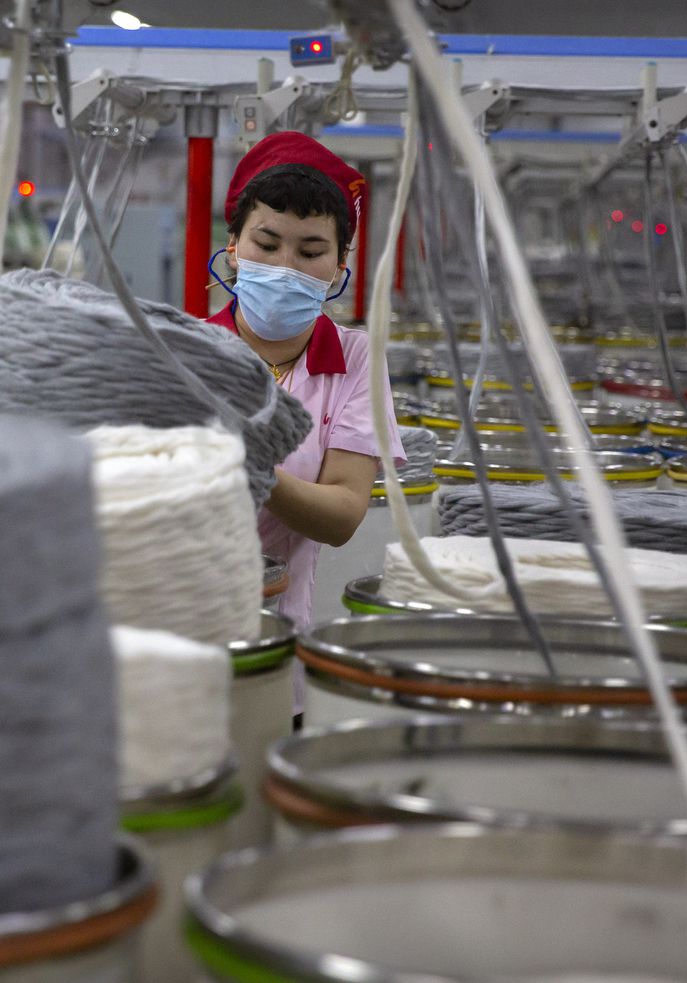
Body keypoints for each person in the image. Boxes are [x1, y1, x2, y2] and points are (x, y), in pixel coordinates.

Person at [206, 131, 406, 716]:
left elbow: (342, 515)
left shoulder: (356, 360)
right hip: (170, 637)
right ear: (235, 248)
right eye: (266, 243)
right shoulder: (187, 351)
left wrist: (243, 459)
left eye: (311, 251)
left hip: (274, 645)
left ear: (340, 265)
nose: (285, 266)